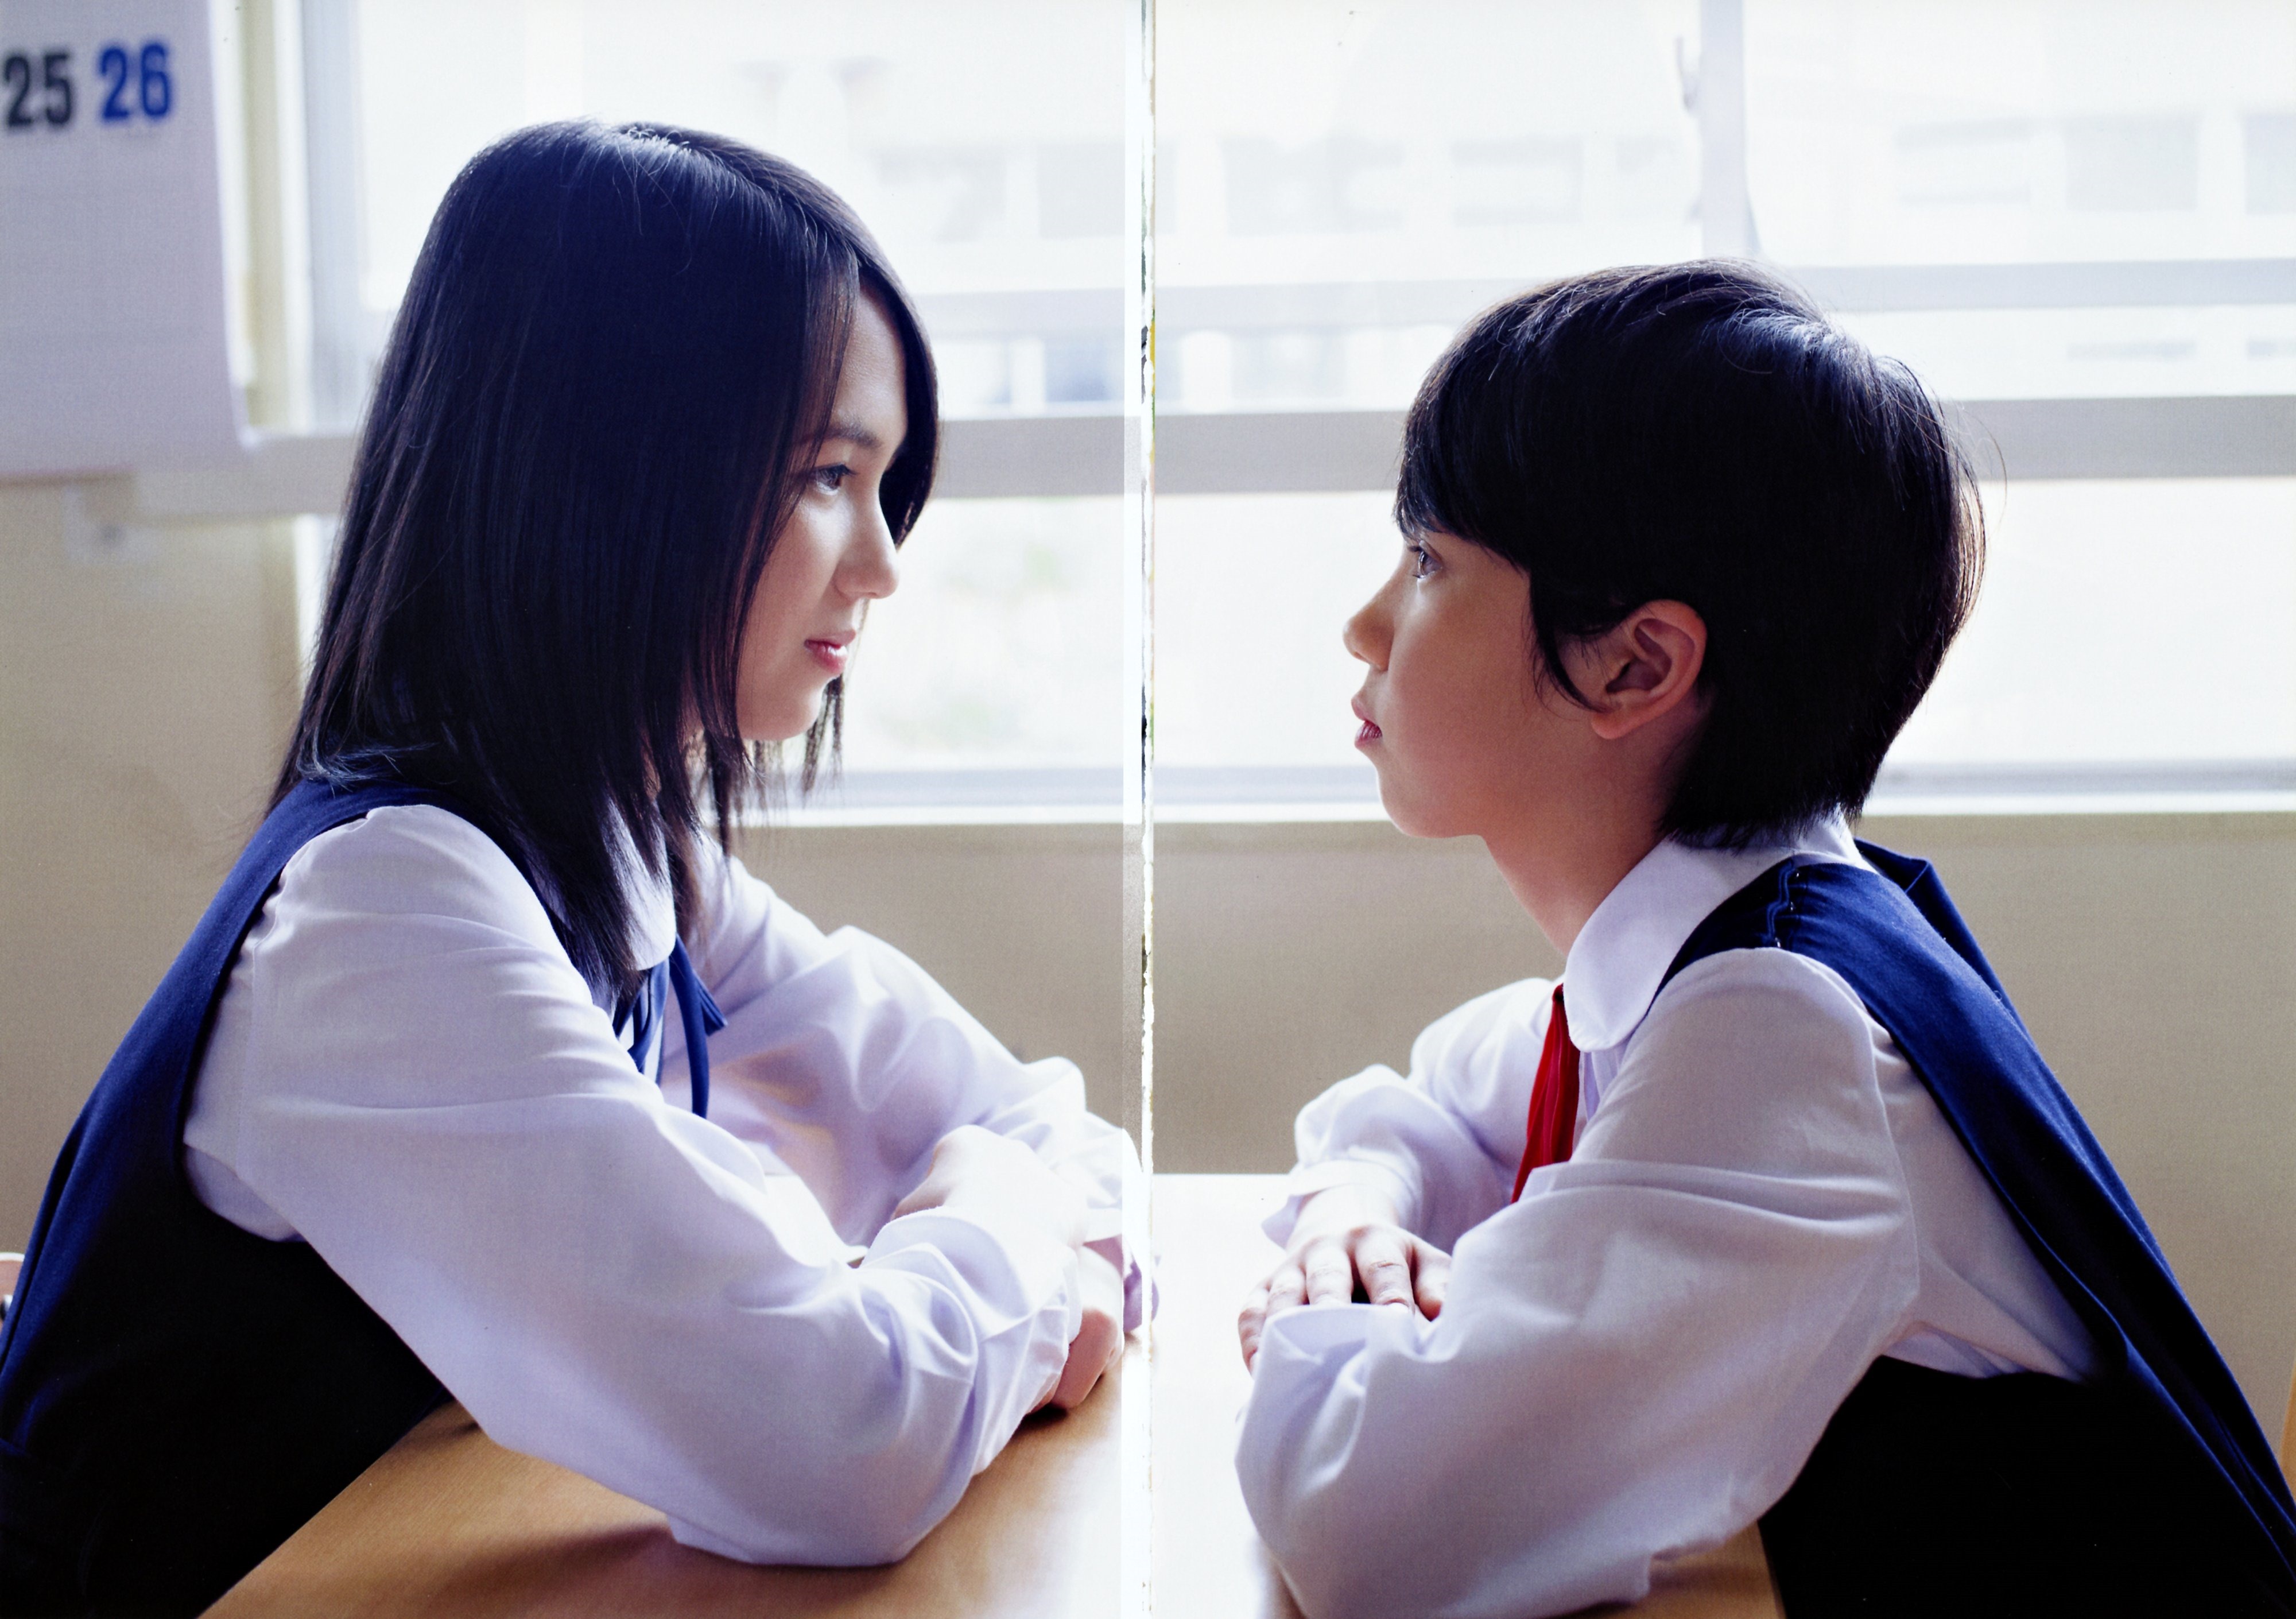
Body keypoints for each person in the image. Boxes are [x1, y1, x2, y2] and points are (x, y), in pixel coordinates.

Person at [0, 121, 1140, 1616]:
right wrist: (1010, 1225)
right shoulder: (383, 924)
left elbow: (1041, 1120)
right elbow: (839, 1441)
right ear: (609, 474)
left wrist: (1004, 1224)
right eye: (826, 475)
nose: (881, 564)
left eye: (883, 484)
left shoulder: (616, 844)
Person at [1232, 263, 2296, 1618]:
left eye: (1428, 560)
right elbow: (1435, 1098)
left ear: (1633, 666)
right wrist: (1349, 1219)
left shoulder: (1779, 1037)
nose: (1365, 623)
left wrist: (1314, 1312)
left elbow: (1372, 1529)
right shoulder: (1745, 940)